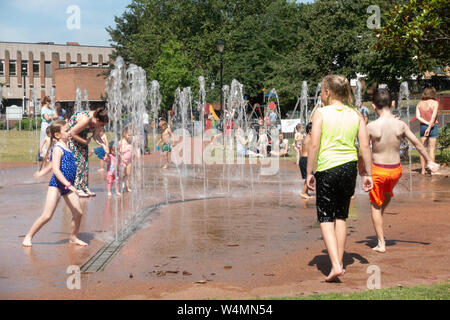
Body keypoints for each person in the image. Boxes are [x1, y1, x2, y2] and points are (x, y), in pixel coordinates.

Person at [306, 75, 373, 282]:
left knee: (325, 217)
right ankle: (340, 262)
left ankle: (335, 265)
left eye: (322, 91)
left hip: (328, 167)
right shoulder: (356, 114)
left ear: (327, 92)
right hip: (349, 168)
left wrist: (309, 172)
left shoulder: (321, 113)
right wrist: (368, 173)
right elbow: (364, 146)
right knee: (341, 216)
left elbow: (314, 144)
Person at [367, 89, 439, 253]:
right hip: (395, 171)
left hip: (379, 170)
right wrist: (429, 161)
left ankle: (381, 243)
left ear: (373, 106)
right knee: (385, 197)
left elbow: (363, 149)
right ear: (392, 104)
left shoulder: (371, 126)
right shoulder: (400, 124)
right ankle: (379, 217)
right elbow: (418, 144)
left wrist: (362, 170)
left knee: (375, 207)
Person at [22, 120, 87, 247]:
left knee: (78, 212)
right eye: (66, 131)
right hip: (57, 185)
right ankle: (28, 236)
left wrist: (43, 172)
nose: (69, 132)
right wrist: (68, 185)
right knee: (47, 215)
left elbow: (52, 164)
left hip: (68, 186)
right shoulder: (57, 148)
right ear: (57, 135)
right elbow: (56, 170)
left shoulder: (66, 146)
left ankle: (73, 236)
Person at [68, 107, 109, 197]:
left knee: (85, 163)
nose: (102, 127)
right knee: (78, 162)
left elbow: (96, 136)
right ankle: (77, 188)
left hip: (82, 138)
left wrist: (104, 145)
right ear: (97, 120)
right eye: (101, 125)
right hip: (72, 139)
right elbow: (72, 133)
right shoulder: (85, 119)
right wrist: (85, 142)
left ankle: (84, 186)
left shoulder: (96, 122)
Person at [416, 86, 440, 175]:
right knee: (432, 149)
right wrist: (429, 127)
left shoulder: (419, 103)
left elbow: (418, 117)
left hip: (423, 127)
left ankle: (423, 170)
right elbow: (433, 117)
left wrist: (426, 123)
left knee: (423, 149)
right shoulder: (435, 103)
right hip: (433, 127)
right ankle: (432, 171)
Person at [299, 122, 312, 199]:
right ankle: (303, 192)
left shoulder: (305, 137)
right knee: (311, 176)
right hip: (305, 159)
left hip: (303, 159)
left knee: (308, 176)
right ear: (310, 131)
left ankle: (306, 192)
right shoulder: (310, 138)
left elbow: (300, 149)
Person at [120, 126, 133, 192]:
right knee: (123, 174)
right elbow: (118, 151)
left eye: (131, 135)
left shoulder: (130, 142)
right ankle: (122, 185)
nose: (130, 136)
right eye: (129, 135)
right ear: (124, 134)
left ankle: (128, 187)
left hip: (129, 161)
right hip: (122, 161)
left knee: (128, 174)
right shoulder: (121, 142)